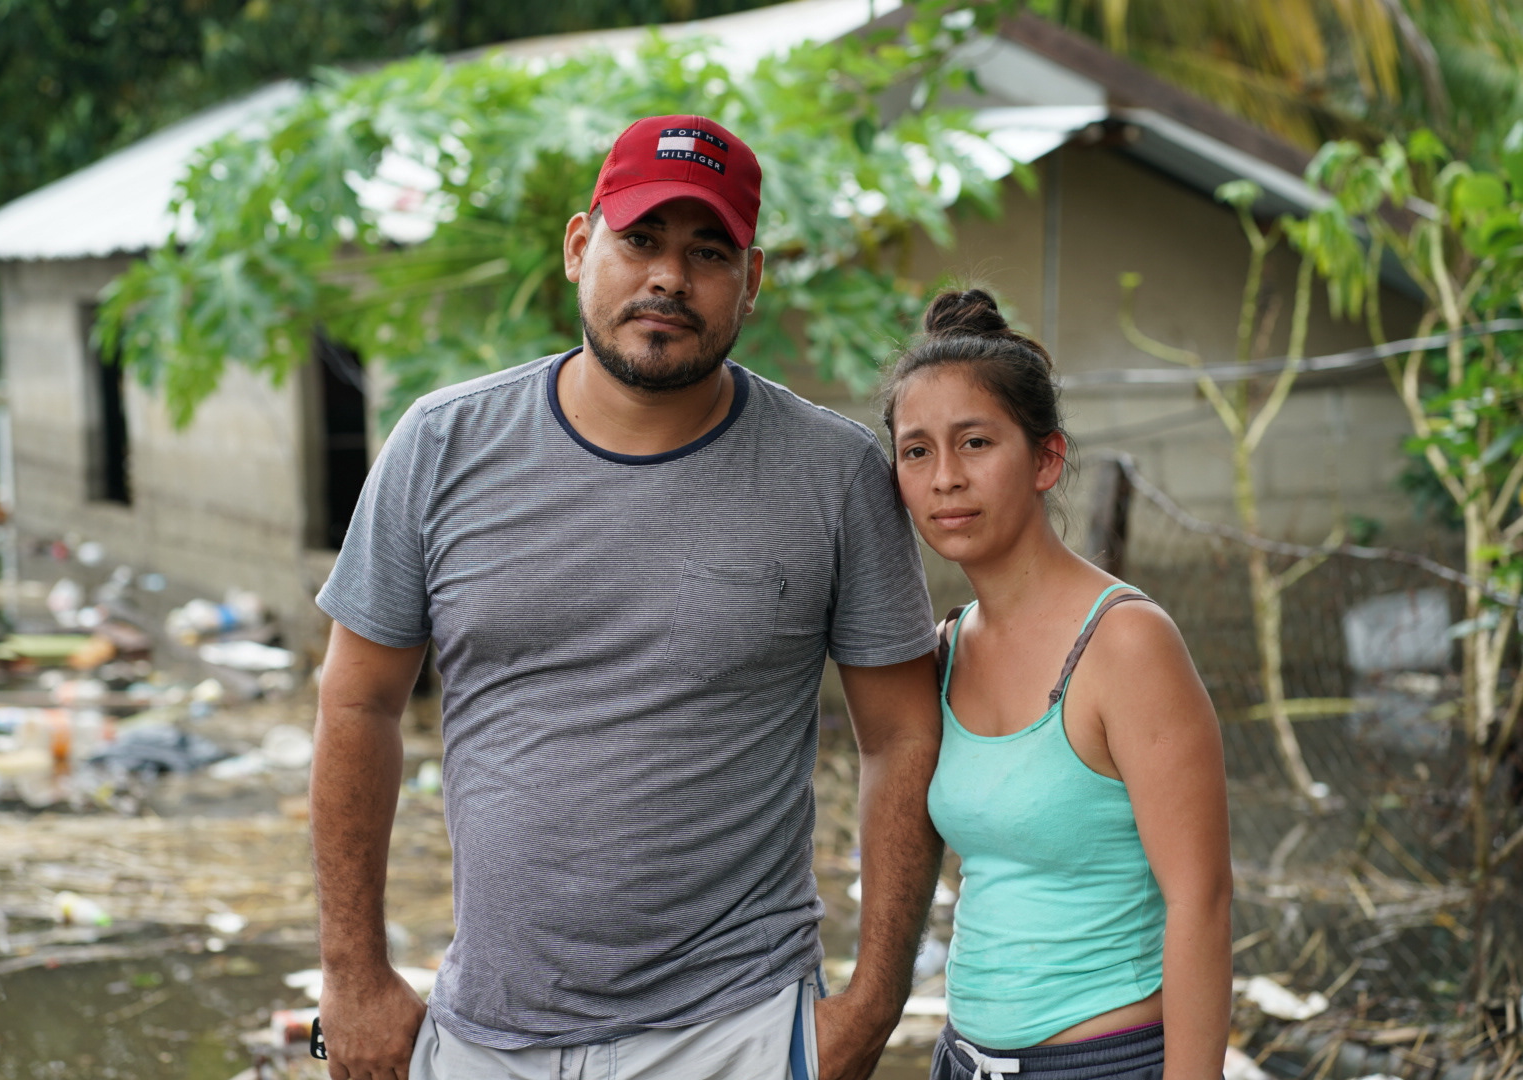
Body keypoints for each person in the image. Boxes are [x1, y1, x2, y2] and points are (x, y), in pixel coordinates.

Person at [309, 114, 945, 1080]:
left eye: (708, 252)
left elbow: (901, 734)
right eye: (640, 239)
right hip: (488, 1032)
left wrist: (870, 1006)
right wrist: (352, 974)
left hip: (736, 1025)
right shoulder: (442, 446)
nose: (668, 278)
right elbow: (357, 702)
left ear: (753, 279)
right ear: (580, 247)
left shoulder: (834, 475)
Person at [880, 289, 1232, 1080]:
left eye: (975, 443)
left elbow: (1202, 902)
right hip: (966, 1060)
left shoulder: (1127, 643)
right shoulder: (944, 650)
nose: (945, 479)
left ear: (1046, 459)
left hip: (1106, 1062)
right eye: (916, 451)